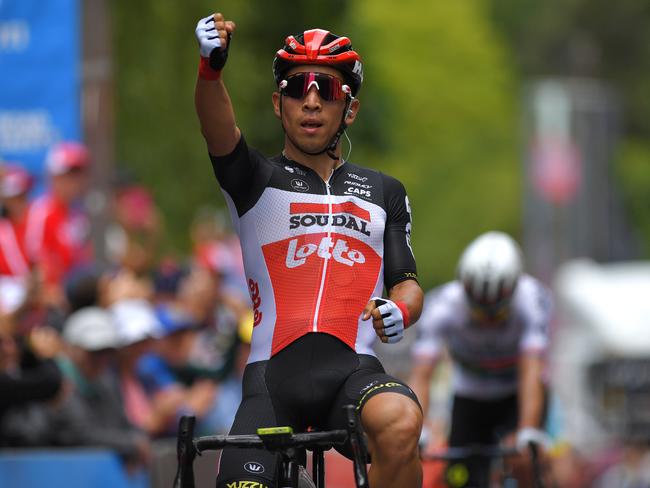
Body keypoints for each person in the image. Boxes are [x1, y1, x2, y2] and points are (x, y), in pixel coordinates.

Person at [194, 12, 424, 488]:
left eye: (329, 89)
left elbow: (407, 284)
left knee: (401, 421)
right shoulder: (256, 179)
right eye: (299, 88)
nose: (313, 101)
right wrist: (210, 69)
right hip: (273, 382)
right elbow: (217, 129)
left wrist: (400, 309)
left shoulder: (385, 191)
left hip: (353, 373)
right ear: (279, 104)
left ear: (351, 109)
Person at [409, 231, 552, 487]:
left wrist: (527, 429)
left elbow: (532, 371)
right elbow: (422, 374)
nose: (487, 320)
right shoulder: (441, 306)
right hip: (470, 395)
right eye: (478, 309)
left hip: (516, 395)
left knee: (523, 459)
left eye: (497, 313)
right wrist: (420, 428)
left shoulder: (532, 300)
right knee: (459, 477)